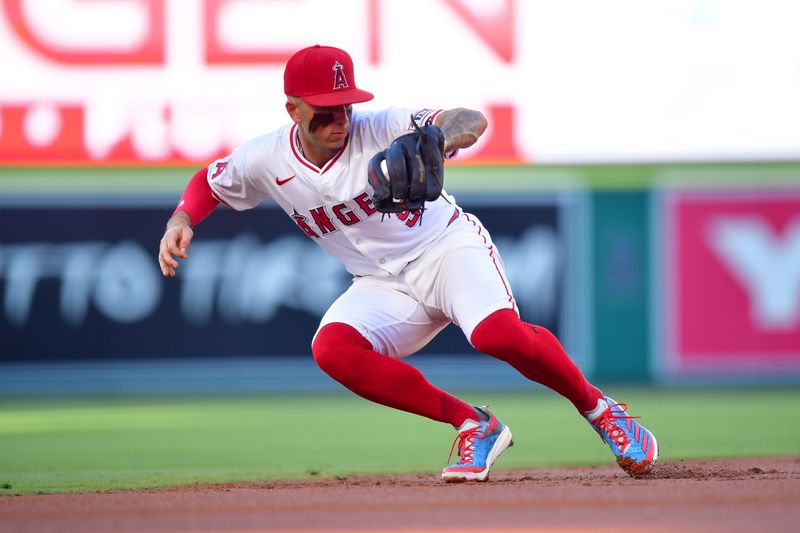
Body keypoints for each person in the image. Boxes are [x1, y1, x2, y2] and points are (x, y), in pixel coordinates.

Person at [157, 44, 658, 481]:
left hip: (445, 249)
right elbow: (210, 181)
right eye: (324, 111)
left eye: (345, 106)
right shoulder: (267, 159)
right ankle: (473, 424)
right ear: (292, 109)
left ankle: (602, 411)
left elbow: (469, 120)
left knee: (495, 334)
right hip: (380, 282)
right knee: (333, 350)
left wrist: (438, 138)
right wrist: (181, 220)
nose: (340, 120)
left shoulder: (383, 127)